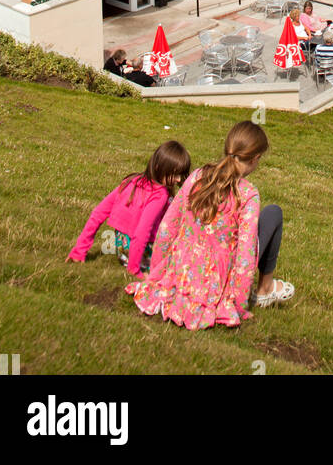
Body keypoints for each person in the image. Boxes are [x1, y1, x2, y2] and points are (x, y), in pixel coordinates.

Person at [125, 120, 293, 327]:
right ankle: (264, 290)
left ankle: (265, 289)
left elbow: (167, 227)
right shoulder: (248, 194)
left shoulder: (197, 176)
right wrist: (238, 304)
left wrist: (159, 273)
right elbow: (245, 256)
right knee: (273, 213)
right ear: (255, 159)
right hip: (214, 281)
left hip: (181, 269)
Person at [66, 140, 191, 277]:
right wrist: (134, 269)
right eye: (175, 174)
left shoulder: (131, 181)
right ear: (158, 167)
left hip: (122, 251)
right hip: (141, 255)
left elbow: (98, 213)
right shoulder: (159, 195)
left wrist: (79, 250)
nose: (179, 179)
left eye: (181, 174)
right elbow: (142, 231)